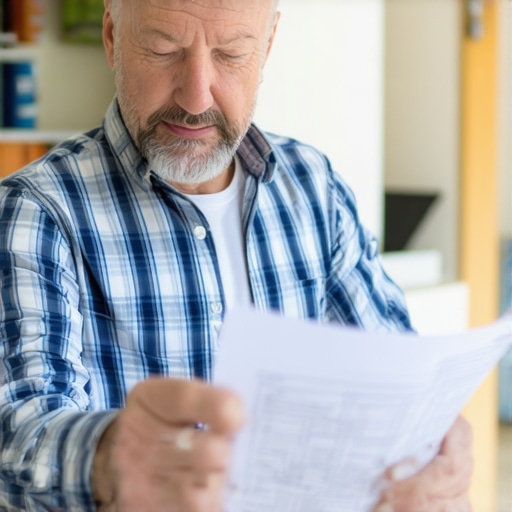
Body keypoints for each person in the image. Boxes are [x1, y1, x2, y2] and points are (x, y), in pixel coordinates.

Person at [0, 0, 473, 510]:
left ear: (266, 47)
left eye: (230, 54)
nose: (197, 95)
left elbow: (398, 383)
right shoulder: (37, 211)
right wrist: (108, 458)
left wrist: (435, 445)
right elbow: (18, 431)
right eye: (163, 49)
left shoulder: (314, 187)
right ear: (112, 39)